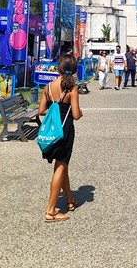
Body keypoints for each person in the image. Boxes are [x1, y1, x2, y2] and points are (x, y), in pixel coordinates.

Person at [39, 54, 83, 223]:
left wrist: (54, 108)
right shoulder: (72, 89)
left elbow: (41, 111)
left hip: (52, 131)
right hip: (65, 131)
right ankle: (50, 211)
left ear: (58, 68)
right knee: (61, 166)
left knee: (61, 165)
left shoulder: (48, 87)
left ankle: (70, 200)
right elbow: (76, 115)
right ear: (74, 70)